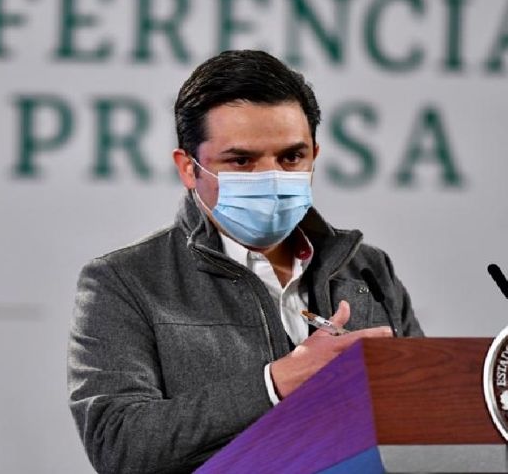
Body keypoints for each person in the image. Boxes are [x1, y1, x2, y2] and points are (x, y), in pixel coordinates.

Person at [67, 50, 423, 474]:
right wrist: (275, 384)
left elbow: (425, 419)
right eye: (241, 161)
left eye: (292, 157)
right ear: (188, 168)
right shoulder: (125, 282)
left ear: (315, 155)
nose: (270, 177)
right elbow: (120, 444)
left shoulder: (367, 270)